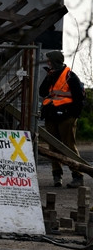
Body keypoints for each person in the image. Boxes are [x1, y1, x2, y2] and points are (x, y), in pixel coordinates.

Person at [39, 50, 85, 188]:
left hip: (66, 116)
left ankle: (78, 176)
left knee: (68, 146)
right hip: (52, 115)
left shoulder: (70, 76)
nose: (47, 63)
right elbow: (42, 92)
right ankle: (57, 176)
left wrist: (73, 116)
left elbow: (79, 98)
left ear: (54, 61)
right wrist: (48, 77)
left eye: (49, 60)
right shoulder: (51, 75)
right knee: (53, 146)